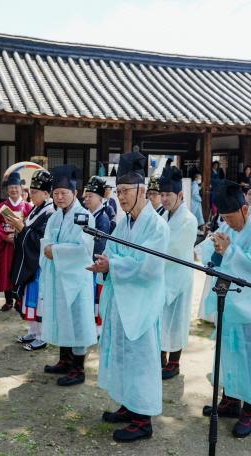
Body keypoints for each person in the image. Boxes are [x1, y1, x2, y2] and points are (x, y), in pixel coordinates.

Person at [88, 151, 169, 442]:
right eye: (118, 191)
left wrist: (114, 265)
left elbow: (149, 269)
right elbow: (113, 251)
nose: (120, 197)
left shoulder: (157, 226)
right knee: (122, 354)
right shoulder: (124, 222)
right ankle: (128, 404)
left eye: (125, 192)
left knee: (141, 359)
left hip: (143, 303)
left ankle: (143, 419)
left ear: (142, 191)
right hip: (122, 298)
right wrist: (104, 263)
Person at [199, 180, 251, 438]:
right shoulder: (227, 226)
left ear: (245, 210)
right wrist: (213, 249)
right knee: (231, 351)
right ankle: (231, 399)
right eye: (222, 217)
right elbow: (210, 253)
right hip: (234, 302)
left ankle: (250, 410)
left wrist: (229, 251)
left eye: (230, 216)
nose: (226, 222)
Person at [40, 165, 97, 387]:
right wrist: (49, 248)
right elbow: (46, 239)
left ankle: (78, 368)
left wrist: (54, 250)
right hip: (58, 275)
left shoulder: (84, 216)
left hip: (75, 279)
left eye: (64, 193)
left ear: (75, 192)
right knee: (61, 317)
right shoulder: (55, 216)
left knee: (77, 320)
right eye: (55, 193)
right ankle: (64, 360)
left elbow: (83, 250)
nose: (59, 197)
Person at [158, 166, 198, 380]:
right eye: (162, 195)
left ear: (180, 196)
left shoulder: (188, 220)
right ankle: (160, 357)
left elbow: (172, 247)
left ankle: (174, 362)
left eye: (168, 195)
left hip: (178, 275)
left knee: (176, 319)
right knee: (161, 318)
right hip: (162, 275)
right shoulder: (162, 214)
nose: (164, 199)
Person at [9, 170, 55, 351]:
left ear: (45, 194)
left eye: (35, 192)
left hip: (40, 264)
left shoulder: (50, 211)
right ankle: (33, 331)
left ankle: (43, 336)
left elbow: (41, 239)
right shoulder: (37, 209)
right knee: (31, 298)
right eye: (32, 191)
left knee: (39, 299)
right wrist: (20, 227)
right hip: (31, 263)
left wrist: (22, 228)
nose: (32, 195)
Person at [0, 172, 33, 311]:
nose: (14, 190)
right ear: (7, 189)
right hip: (6, 247)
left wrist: (18, 237)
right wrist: (4, 237)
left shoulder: (28, 208)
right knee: (6, 272)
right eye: (11, 187)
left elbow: (32, 227)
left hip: (21, 246)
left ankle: (20, 301)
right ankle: (9, 301)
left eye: (16, 187)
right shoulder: (0, 208)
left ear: (21, 189)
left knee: (21, 271)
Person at [83, 175, 115, 336]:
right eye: (86, 196)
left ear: (100, 197)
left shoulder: (102, 218)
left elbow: (100, 244)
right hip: (86, 261)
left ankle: (98, 328)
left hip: (94, 262)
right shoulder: (88, 215)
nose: (87, 199)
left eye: (91, 196)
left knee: (96, 296)